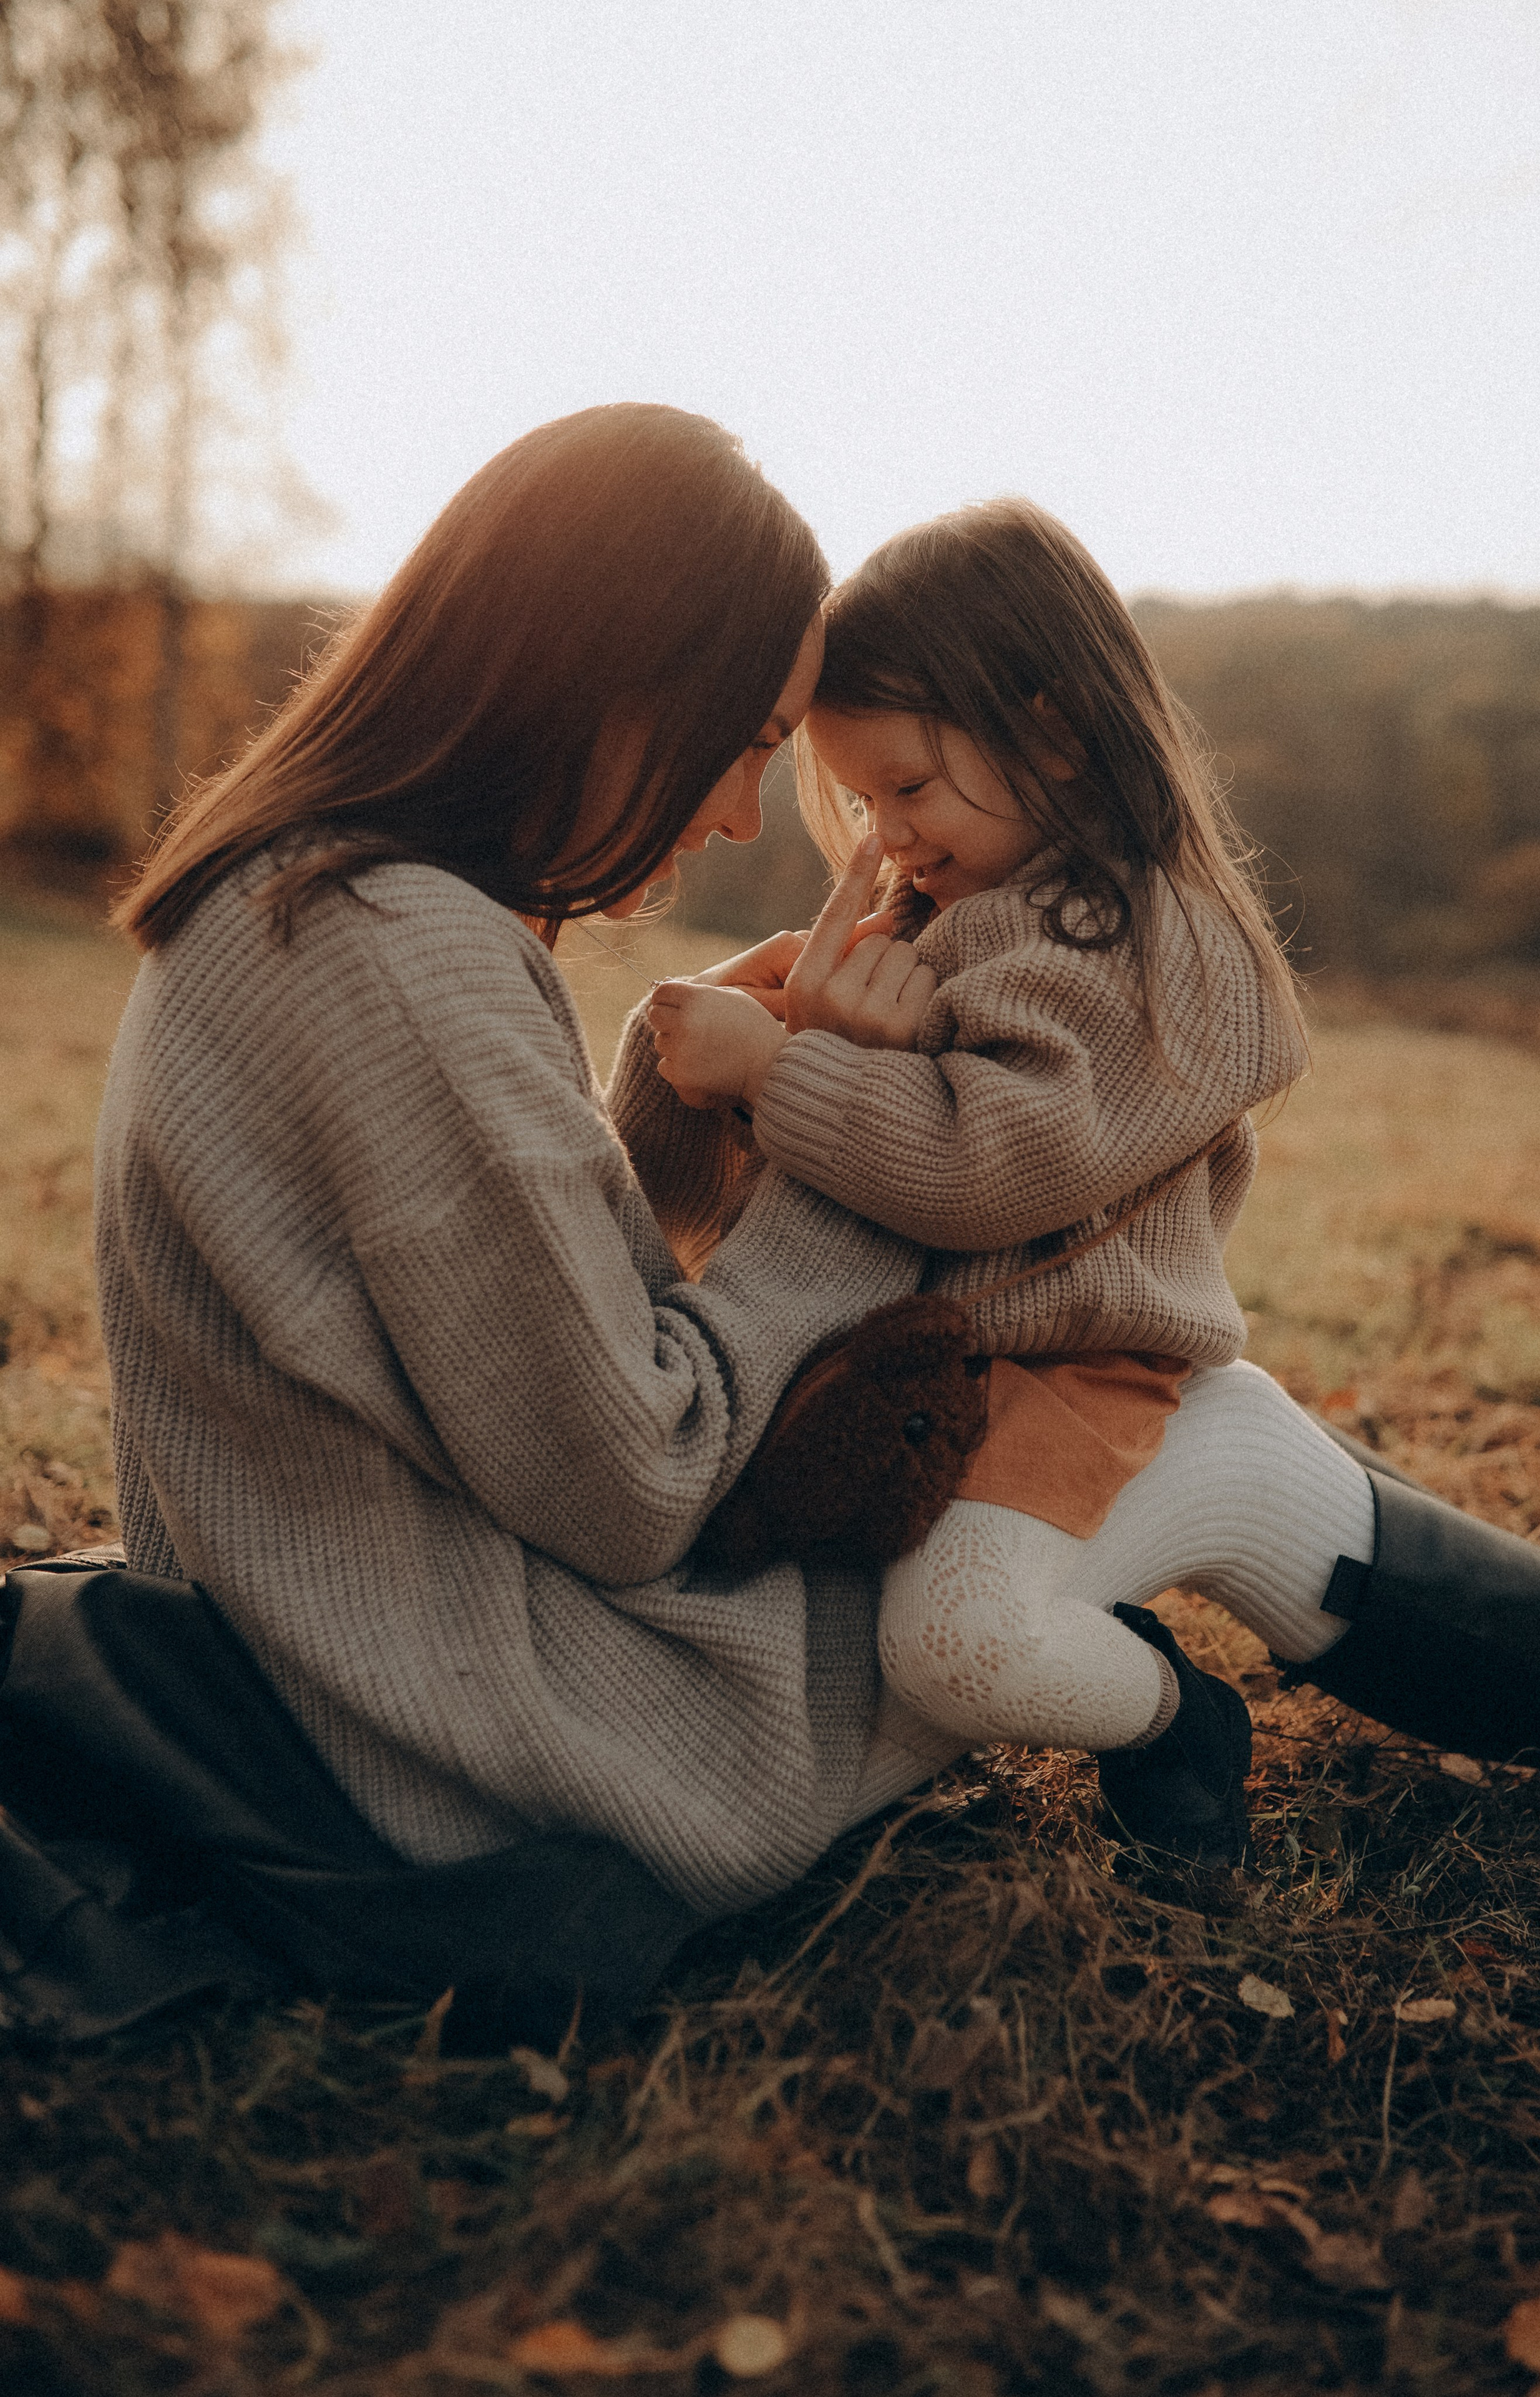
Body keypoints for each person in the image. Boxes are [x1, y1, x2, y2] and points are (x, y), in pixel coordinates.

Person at [93, 403, 952, 1961]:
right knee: (1063, 1488)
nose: (738, 814)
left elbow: (472, 1329)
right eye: (751, 742)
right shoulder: (400, 947)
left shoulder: (306, 889)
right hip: (454, 1741)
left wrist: (672, 1101)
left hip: (328, 1666)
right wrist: (848, 1140)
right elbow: (632, 1483)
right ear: (617, 685)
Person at [639, 498, 1540, 1866]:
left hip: (1077, 1375)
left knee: (955, 1644)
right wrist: (704, 1052)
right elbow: (733, 1199)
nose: (886, 834)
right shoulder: (934, 919)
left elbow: (993, 1164)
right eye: (860, 800)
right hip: (916, 1382)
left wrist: (782, 1073)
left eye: (908, 788)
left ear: (1053, 732)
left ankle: (1170, 1715)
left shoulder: (1152, 945)